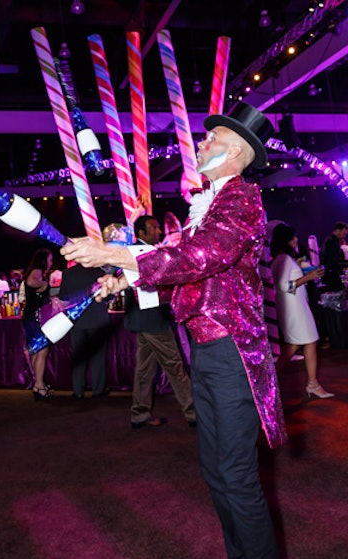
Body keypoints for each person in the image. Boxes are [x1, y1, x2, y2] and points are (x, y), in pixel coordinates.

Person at [60, 102, 287, 558]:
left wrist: (117, 256)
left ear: (236, 151)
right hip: (206, 350)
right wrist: (121, 277)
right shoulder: (206, 205)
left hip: (233, 353)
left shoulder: (242, 199)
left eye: (213, 137)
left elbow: (199, 257)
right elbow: (175, 262)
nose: (203, 141)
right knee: (216, 470)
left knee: (236, 476)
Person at [124, 215, 196, 429]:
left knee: (145, 369)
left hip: (145, 319)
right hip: (152, 319)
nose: (159, 231)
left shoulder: (144, 251)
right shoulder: (138, 252)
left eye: (157, 227)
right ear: (140, 234)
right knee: (175, 366)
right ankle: (194, 413)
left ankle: (140, 413)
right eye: (153, 228)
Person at [270, 223, 334, 399]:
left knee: (294, 345)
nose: (297, 240)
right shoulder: (283, 259)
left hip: (294, 306)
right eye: (294, 237)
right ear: (287, 240)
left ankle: (270, 380)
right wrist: (308, 277)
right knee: (309, 341)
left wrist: (306, 273)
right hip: (294, 308)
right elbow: (283, 285)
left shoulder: (281, 258)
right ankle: (312, 384)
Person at [58, 261, 110, 400]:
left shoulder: (67, 274)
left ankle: (78, 390)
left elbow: (63, 296)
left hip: (76, 320)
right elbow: (108, 295)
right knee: (97, 357)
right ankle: (98, 390)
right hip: (97, 319)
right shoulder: (99, 272)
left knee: (79, 356)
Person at [22, 248, 54, 401]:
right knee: (42, 349)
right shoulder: (37, 271)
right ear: (43, 260)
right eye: (49, 259)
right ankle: (39, 385)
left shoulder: (36, 271)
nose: (51, 263)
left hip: (31, 316)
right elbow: (30, 282)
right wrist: (43, 284)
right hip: (35, 316)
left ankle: (38, 384)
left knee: (37, 350)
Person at [321, 221, 348, 291]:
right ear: (337, 231)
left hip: (334, 275)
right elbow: (333, 262)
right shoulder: (331, 242)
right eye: (344, 233)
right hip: (332, 277)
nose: (344, 236)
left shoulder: (334, 241)